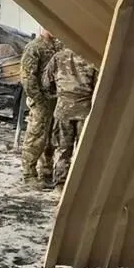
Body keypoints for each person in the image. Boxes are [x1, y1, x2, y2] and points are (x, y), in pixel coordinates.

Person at [42, 48, 98, 189]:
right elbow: (99, 86)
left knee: (62, 149)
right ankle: (80, 184)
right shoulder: (92, 57)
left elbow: (46, 83)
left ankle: (60, 184)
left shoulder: (58, 57)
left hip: (63, 109)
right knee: (84, 150)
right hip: (85, 110)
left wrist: (59, 94)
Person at [20, 28, 61, 189]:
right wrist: (38, 99)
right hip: (41, 100)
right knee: (36, 137)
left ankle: (46, 172)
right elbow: (27, 77)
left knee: (51, 138)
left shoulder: (58, 46)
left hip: (55, 99)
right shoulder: (34, 47)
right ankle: (29, 174)